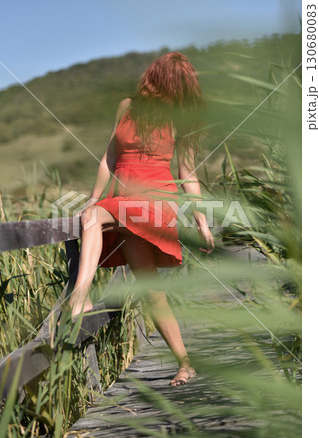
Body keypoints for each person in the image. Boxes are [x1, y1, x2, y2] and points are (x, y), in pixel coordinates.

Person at [67, 52, 214, 386]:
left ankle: (80, 296)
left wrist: (202, 220)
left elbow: (187, 172)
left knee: (93, 218)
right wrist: (93, 197)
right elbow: (109, 157)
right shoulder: (126, 107)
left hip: (154, 202)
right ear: (159, 80)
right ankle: (185, 363)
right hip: (123, 201)